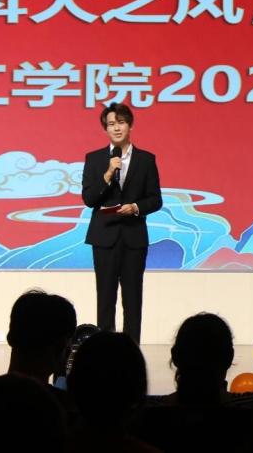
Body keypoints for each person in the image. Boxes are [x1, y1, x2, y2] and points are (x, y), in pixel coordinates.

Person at [81, 103, 163, 344]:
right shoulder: (94, 159)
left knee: (133, 299)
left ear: (130, 125)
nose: (116, 128)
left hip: (133, 237)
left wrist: (136, 207)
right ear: (105, 129)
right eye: (111, 124)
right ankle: (105, 349)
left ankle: (131, 350)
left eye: (121, 123)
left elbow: (155, 199)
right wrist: (108, 174)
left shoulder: (146, 160)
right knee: (105, 298)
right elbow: (89, 199)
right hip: (104, 237)